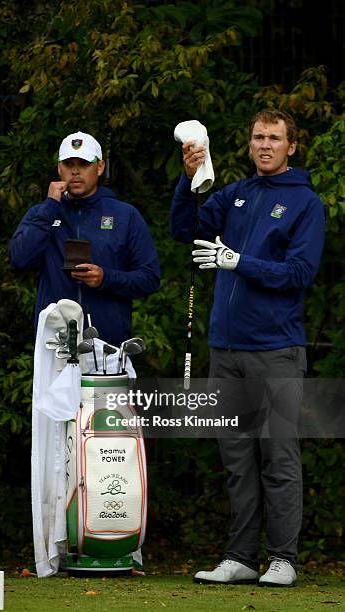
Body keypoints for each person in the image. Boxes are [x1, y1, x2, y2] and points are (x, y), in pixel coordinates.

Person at [170, 109, 325, 587]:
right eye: (258, 137)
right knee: (237, 459)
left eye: (274, 138)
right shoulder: (235, 194)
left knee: (277, 455)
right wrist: (189, 177)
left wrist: (238, 261)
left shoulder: (306, 203)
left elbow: (300, 274)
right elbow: (185, 229)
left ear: (291, 146)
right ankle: (240, 557)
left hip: (276, 347)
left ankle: (283, 558)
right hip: (227, 348)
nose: (264, 145)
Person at [9, 131, 160, 347]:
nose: (76, 171)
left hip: (107, 345)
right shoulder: (42, 213)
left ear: (99, 167)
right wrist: (51, 207)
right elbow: (19, 259)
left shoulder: (125, 215)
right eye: (69, 164)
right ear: (59, 168)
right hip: (54, 344)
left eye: (84, 163)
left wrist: (105, 278)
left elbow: (150, 278)